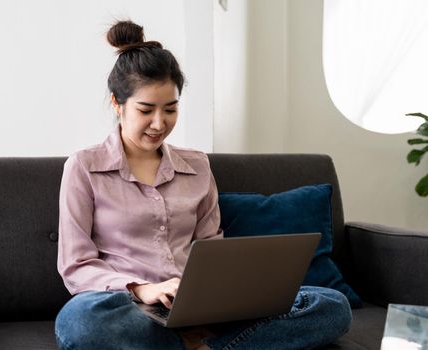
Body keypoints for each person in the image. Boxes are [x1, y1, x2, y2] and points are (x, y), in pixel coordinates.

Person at [55, 20, 352, 350]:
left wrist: (219, 295)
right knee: (79, 322)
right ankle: (199, 344)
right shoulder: (84, 167)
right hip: (132, 308)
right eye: (146, 110)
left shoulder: (195, 166)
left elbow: (212, 246)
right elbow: (76, 266)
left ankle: (197, 341)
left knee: (331, 305)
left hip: (202, 308)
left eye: (171, 108)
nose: (159, 123)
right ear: (117, 103)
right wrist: (142, 288)